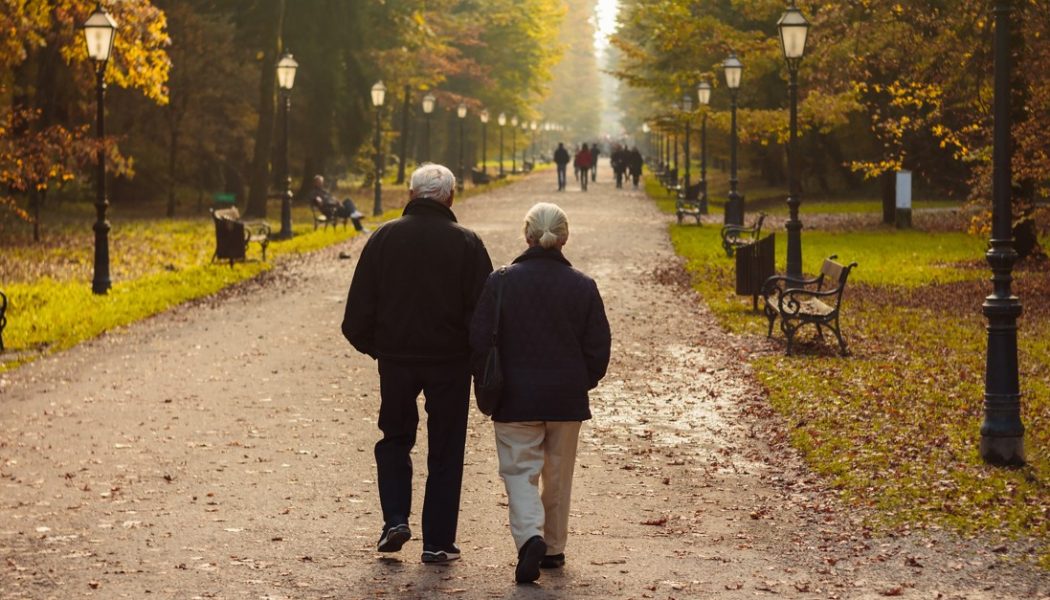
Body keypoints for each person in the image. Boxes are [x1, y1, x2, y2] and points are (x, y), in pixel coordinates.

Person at [342, 163, 493, 564]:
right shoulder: (468, 243)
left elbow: (355, 316)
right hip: (450, 362)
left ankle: (394, 518)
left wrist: (382, 349)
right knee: (446, 447)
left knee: (394, 438)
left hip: (397, 360)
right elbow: (484, 315)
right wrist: (472, 356)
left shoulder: (384, 238)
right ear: (450, 198)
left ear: (410, 196)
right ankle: (438, 541)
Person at [469, 203, 611, 584]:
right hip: (565, 398)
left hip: (514, 397)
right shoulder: (583, 286)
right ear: (563, 238)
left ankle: (530, 534)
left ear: (527, 235)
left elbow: (479, 338)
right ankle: (552, 548)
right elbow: (598, 348)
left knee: (520, 471)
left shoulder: (501, 281)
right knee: (558, 473)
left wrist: (486, 380)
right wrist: (582, 381)